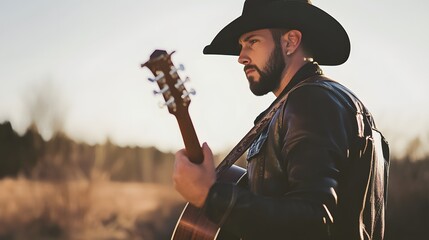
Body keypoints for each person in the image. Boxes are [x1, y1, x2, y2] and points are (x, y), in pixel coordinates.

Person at [173, 0, 389, 239]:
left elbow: (313, 219)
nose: (241, 57)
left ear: (290, 42)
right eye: (241, 45)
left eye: (252, 41)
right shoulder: (319, 100)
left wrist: (211, 196)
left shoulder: (311, 100)